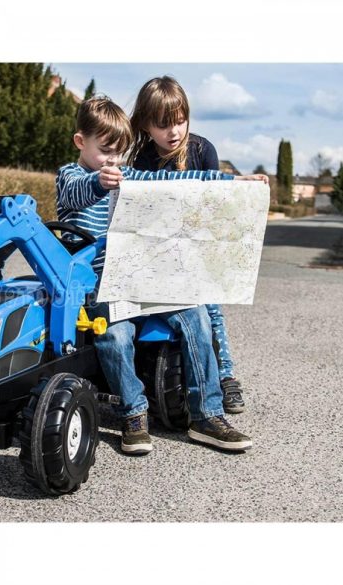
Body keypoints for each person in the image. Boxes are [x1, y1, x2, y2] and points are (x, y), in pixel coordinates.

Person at [56, 96, 268, 455]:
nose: (114, 161)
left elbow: (177, 179)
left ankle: (207, 416)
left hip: (142, 278)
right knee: (115, 335)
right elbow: (75, 194)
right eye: (105, 151)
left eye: (120, 153)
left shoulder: (129, 175)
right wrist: (98, 182)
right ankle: (133, 413)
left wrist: (233, 182)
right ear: (81, 142)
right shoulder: (72, 176)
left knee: (197, 316)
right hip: (100, 287)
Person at [129, 75, 245, 414]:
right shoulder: (142, 158)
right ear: (146, 125)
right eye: (164, 125)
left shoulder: (203, 150)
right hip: (162, 251)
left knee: (212, 309)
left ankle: (225, 376)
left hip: (198, 248)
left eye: (180, 121)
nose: (174, 131)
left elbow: (215, 205)